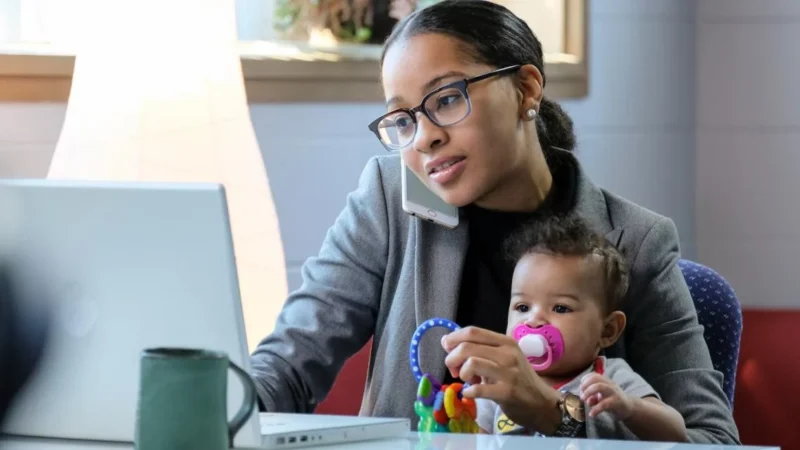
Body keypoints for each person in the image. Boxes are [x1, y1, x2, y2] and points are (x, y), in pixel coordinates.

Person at [250, 0, 739, 443]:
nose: (423, 139)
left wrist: (554, 411)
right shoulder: (390, 197)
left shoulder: (637, 241)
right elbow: (289, 366)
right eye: (402, 119)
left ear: (526, 89)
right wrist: (215, 404)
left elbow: (713, 440)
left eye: (445, 99)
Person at [472, 215, 686, 442]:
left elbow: (677, 433)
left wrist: (630, 408)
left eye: (561, 308)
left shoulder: (608, 379)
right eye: (522, 307)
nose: (533, 320)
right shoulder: (501, 379)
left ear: (608, 331)